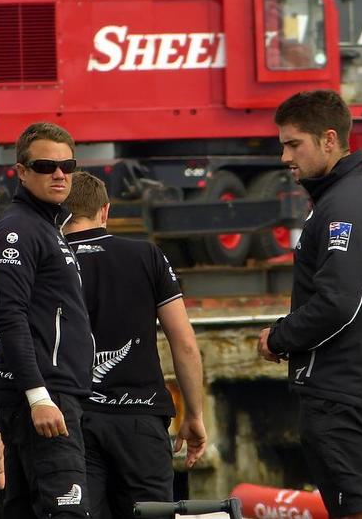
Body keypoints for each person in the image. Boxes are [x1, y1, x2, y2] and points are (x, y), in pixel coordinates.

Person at [256, 90, 362, 519]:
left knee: (357, 509)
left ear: (328, 139)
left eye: (293, 144)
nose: (285, 157)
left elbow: (338, 302)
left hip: (343, 388)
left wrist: (280, 337)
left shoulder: (344, 205)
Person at [63, 171, 207, 519]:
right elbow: (184, 342)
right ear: (105, 211)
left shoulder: (51, 260)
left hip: (74, 418)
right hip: (140, 418)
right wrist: (194, 413)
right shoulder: (147, 256)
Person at [0, 122, 93, 518]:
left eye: (68, 165)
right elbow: (8, 314)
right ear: (21, 170)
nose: (59, 174)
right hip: (42, 398)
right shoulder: (19, 229)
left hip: (52, 393)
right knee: (65, 510)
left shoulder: (47, 228)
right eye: (46, 165)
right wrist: (38, 396)